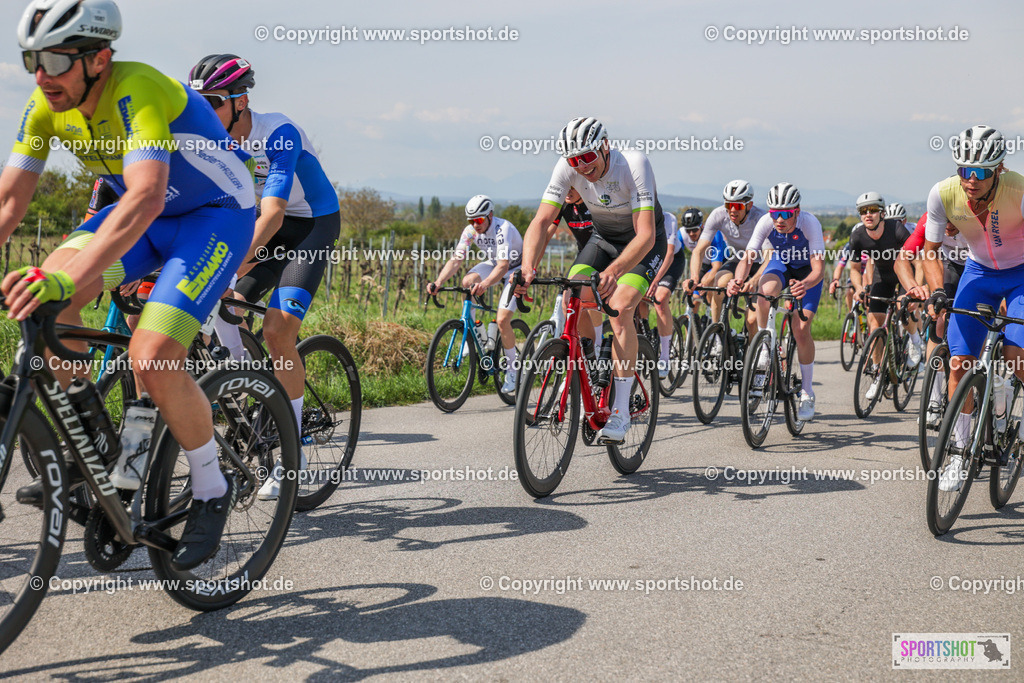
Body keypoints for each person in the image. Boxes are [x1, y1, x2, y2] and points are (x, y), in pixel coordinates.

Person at [2, 0, 257, 570]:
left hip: (212, 216)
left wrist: (66, 275)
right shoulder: (44, 107)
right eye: (31, 61)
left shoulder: (136, 89)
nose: (41, 76)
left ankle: (213, 488)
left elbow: (143, 195)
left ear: (99, 58)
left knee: (153, 356)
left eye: (55, 59)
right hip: (147, 218)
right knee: (45, 320)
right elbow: (11, 200)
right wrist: (60, 282)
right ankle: (94, 453)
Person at [187, 54, 342, 501]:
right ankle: (240, 391)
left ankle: (292, 451)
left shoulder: (277, 132)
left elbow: (273, 213)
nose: (204, 112)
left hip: (311, 224)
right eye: (197, 103)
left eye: (212, 101)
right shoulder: (208, 142)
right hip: (264, 226)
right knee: (228, 306)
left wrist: (230, 264)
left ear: (241, 100)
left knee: (276, 332)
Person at [517, 116, 666, 444]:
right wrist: (527, 267)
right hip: (603, 240)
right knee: (575, 289)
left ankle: (622, 410)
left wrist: (614, 272)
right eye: (574, 161)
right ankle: (591, 356)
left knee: (620, 306)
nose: (582, 167)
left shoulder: (634, 163)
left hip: (641, 245)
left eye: (587, 158)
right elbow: (542, 221)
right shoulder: (566, 168)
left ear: (605, 146)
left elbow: (645, 235)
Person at [905, 125, 1024, 492]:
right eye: (964, 171)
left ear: (999, 169)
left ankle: (1010, 408)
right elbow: (929, 250)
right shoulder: (943, 194)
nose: (971, 180)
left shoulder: (1018, 190)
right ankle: (959, 452)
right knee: (958, 363)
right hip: (978, 273)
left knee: (1016, 354)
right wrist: (938, 290)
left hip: (1021, 273)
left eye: (981, 172)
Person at [727, 182, 824, 421]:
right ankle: (764, 347)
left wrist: (806, 284)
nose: (779, 219)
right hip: (782, 265)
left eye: (785, 214)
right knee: (764, 292)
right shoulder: (766, 223)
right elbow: (748, 259)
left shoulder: (810, 224)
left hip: (807, 274)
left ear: (797, 212)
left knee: (800, 329)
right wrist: (738, 280)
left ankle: (807, 393)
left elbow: (819, 269)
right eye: (774, 213)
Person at [427, 195, 524, 393]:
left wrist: (486, 284)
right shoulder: (471, 231)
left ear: (490, 215)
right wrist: (438, 282)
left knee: (503, 319)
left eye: (479, 220)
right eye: (471, 220)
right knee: (467, 282)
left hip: (515, 268)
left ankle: (513, 371)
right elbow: (456, 260)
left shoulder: (502, 229)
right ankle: (470, 336)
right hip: (495, 263)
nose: (475, 225)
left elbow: (504, 266)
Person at [896, 211, 966, 425]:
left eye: (954, 220)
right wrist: (913, 289)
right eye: (944, 220)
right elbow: (901, 260)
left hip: (982, 265)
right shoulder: (930, 219)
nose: (948, 225)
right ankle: (934, 400)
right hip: (950, 264)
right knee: (939, 316)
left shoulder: (979, 216)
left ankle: (997, 389)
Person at [845, 191, 916, 400]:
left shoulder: (896, 228)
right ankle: (878, 372)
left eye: (873, 210)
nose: (868, 214)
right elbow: (855, 268)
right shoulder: (858, 235)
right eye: (863, 211)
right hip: (882, 277)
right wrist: (858, 288)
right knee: (874, 322)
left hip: (904, 274)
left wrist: (913, 288)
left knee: (905, 309)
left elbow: (918, 258)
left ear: (882, 213)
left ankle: (914, 340)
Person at [682, 179, 766, 337]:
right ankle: (718, 333)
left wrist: (753, 281)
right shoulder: (718, 214)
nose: (732, 210)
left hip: (761, 263)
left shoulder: (761, 218)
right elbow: (699, 250)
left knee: (752, 320)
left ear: (749, 205)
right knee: (719, 284)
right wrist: (694, 278)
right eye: (729, 205)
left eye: (738, 206)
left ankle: (752, 355)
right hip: (739, 259)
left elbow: (770, 256)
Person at [646, 207, 724, 377]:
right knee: (694, 300)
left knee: (709, 294)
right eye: (689, 230)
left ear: (702, 227)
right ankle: (692, 335)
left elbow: (716, 267)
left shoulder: (714, 236)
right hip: (698, 266)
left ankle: (713, 329)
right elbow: (676, 251)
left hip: (714, 266)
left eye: (695, 230)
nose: (692, 234)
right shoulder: (682, 233)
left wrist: (704, 283)